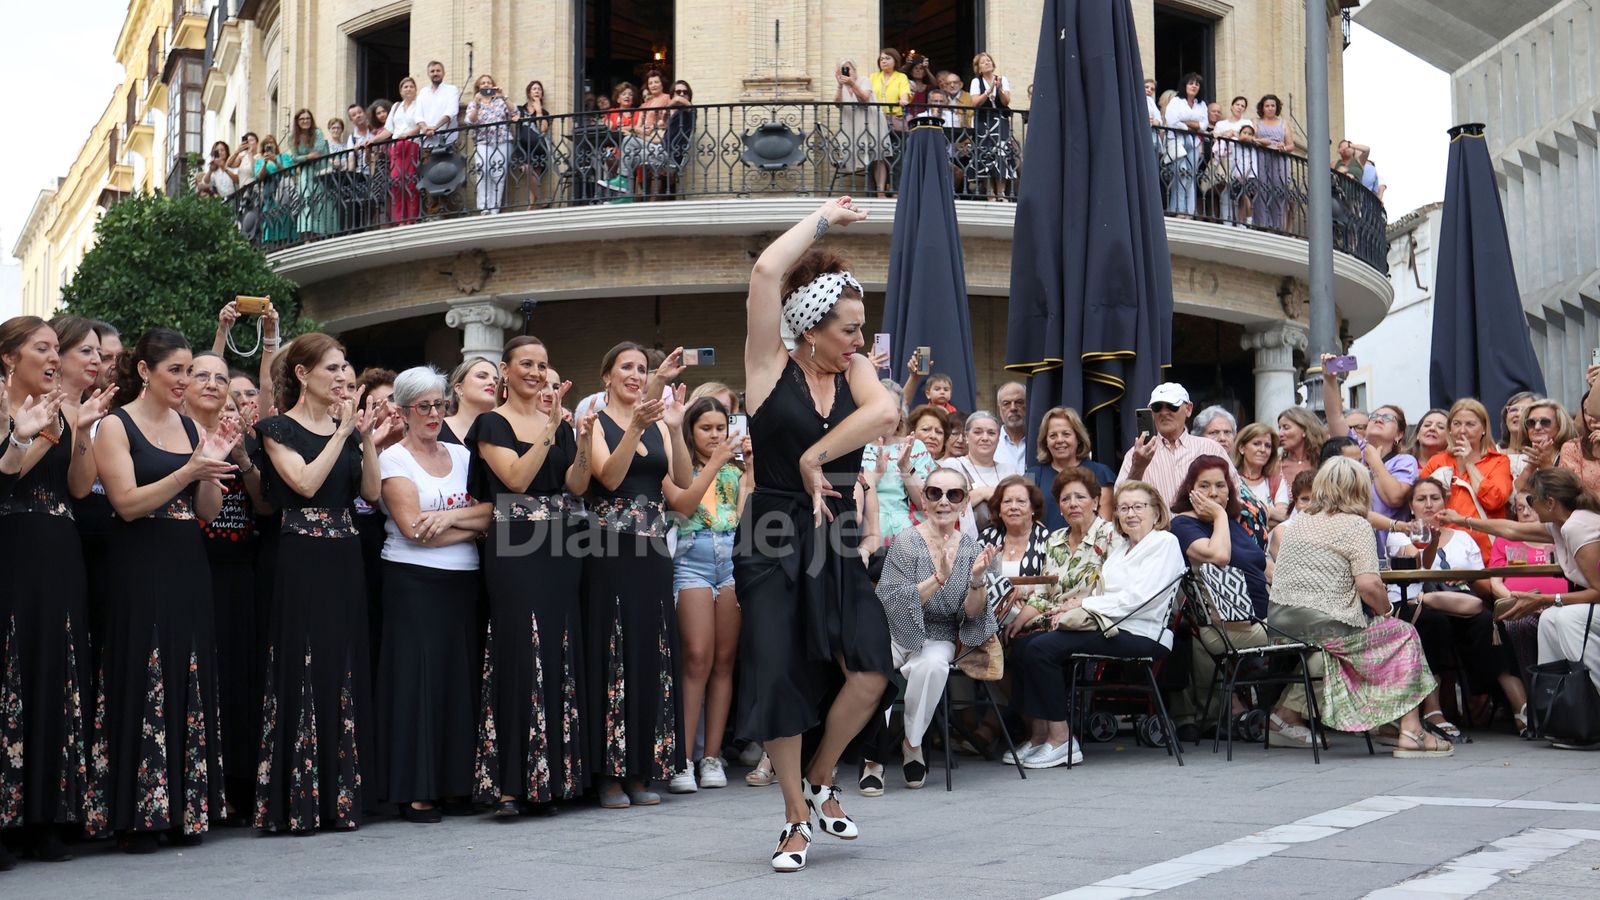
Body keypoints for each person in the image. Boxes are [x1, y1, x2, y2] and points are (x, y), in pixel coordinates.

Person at [737, 198, 898, 872]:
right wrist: (824, 216)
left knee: (870, 668)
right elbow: (767, 273)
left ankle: (822, 774)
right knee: (776, 671)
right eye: (851, 330)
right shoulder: (768, 366)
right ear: (811, 327)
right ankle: (795, 821)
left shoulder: (854, 373)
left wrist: (814, 457)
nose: (861, 342)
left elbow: (886, 411)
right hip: (773, 531)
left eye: (862, 330)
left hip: (835, 531)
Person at [92, 328, 234, 852]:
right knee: (142, 674)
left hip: (187, 561)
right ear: (145, 371)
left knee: (185, 673)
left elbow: (206, 512)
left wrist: (210, 468)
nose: (185, 380)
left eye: (190, 371)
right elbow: (126, 503)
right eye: (175, 370)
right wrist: (191, 470)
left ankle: (182, 809)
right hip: (140, 561)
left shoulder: (190, 425)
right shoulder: (115, 424)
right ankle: (135, 816)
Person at [255, 333, 385, 833]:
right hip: (301, 555)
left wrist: (366, 439)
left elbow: (370, 493)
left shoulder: (349, 430)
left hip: (345, 554)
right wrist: (343, 433)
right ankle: (300, 801)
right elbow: (304, 484)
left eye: (344, 368)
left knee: (343, 665)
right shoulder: (277, 428)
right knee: (303, 663)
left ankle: (343, 797)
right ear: (304, 374)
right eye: (332, 368)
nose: (341, 378)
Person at [468, 335, 591, 817]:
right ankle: (511, 785)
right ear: (505, 370)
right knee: (520, 651)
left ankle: (554, 780)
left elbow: (577, 484)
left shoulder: (556, 423)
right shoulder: (490, 423)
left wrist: (577, 438)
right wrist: (549, 427)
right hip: (514, 545)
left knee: (559, 650)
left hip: (562, 545)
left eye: (543, 364)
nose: (537, 373)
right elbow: (516, 479)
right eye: (526, 364)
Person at [1266, 458, 1449, 757]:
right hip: (1323, 623)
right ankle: (1412, 730)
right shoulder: (1355, 525)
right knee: (1404, 634)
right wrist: (1387, 612)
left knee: (1346, 647)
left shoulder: (1299, 523)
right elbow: (1369, 586)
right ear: (1360, 489)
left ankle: (1288, 714)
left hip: (1280, 622)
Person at [0, 317, 99, 861]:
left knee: (54, 674)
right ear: (10, 357)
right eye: (42, 348)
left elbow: (81, 487)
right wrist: (46, 428)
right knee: (13, 672)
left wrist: (79, 430)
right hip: (13, 546)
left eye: (53, 348)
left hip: (59, 549)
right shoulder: (11, 408)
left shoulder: (61, 409)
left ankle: (45, 814)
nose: (53, 357)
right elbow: (7, 473)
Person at [376, 366, 491, 823]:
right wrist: (465, 524)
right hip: (413, 581)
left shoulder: (463, 456)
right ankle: (416, 789)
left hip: (463, 582)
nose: (432, 414)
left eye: (439, 405)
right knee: (416, 684)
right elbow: (412, 529)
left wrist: (446, 519)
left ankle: (456, 783)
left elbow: (492, 514)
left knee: (457, 681)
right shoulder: (394, 460)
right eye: (422, 406)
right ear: (403, 411)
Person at [583, 342, 693, 809]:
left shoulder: (657, 422)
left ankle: (642, 768)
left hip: (652, 548)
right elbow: (607, 478)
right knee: (614, 650)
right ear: (606, 375)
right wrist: (637, 428)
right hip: (608, 549)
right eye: (626, 367)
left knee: (649, 651)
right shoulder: (592, 420)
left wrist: (675, 427)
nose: (634, 374)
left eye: (641, 368)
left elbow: (683, 484)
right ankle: (608, 774)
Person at [1009, 481, 1186, 768]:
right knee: (1025, 645)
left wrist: (1084, 604)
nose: (1130, 514)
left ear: (1156, 512)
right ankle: (1039, 734)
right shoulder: (1122, 549)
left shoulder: (1164, 543)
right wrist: (1076, 605)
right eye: (1124, 508)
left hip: (1141, 631)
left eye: (1138, 507)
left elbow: (1140, 598)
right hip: (1111, 625)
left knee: (1043, 649)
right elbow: (1104, 593)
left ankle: (1061, 738)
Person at [186, 351, 271, 820]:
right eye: (207, 377)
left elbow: (262, 506)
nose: (217, 388)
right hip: (193, 565)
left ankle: (238, 786)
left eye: (226, 382)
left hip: (240, 571)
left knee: (238, 680)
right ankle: (200, 787)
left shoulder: (245, 442)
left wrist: (241, 457)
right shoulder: (176, 433)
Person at [876, 468, 999, 787]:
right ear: (924, 500)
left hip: (938, 634)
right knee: (873, 669)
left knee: (933, 666)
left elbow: (971, 616)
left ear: (964, 502)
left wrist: (977, 580)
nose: (943, 501)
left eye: (953, 494)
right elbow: (890, 599)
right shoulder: (906, 541)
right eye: (935, 493)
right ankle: (872, 755)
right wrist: (938, 579)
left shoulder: (972, 548)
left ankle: (912, 745)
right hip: (897, 629)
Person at [1441, 468, 1600, 713]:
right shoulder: (1562, 523)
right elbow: (1511, 530)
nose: (1529, 505)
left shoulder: (1577, 526)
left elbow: (1598, 591)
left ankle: (1591, 700)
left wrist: (1545, 600)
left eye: (1531, 499)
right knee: (1549, 619)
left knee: (1567, 618)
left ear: (1550, 502)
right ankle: (1555, 710)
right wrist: (1463, 520)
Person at [1386, 477, 1519, 741]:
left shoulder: (1463, 538)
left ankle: (1511, 702)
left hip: (1460, 604)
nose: (1428, 504)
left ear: (1444, 502)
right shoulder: (1398, 534)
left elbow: (1482, 587)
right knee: (1435, 622)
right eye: (1421, 499)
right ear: (1411, 506)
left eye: (1434, 498)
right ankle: (1433, 710)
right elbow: (1418, 562)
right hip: (1414, 605)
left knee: (1486, 621)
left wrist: (1467, 577)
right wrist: (1431, 539)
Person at [662, 397, 749, 793]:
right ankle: (681, 758)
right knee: (696, 655)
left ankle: (712, 757)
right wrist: (716, 461)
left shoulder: (736, 470)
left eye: (720, 427)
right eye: (706, 429)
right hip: (691, 561)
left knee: (725, 661)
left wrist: (750, 469)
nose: (716, 435)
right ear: (690, 431)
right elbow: (685, 502)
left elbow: (744, 515)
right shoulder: (680, 466)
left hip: (730, 562)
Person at [1167, 456, 1273, 735]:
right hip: (1230, 623)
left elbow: (1265, 566)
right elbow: (1220, 556)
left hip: (1262, 615)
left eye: (1220, 486)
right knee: (1310, 636)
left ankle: (1279, 715)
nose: (1213, 493)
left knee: (1314, 625)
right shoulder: (1183, 525)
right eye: (1204, 486)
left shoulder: (1233, 524)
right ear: (1190, 490)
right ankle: (1281, 718)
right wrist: (1219, 516)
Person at [1488, 491, 1570, 692]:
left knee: (1566, 622)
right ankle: (1536, 693)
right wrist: (1520, 601)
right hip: (1521, 608)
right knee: (1520, 625)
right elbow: (1495, 583)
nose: (1525, 513)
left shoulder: (1561, 535)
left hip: (1562, 604)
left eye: (1530, 506)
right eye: (1519, 508)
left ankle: (1569, 692)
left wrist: (1549, 602)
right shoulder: (1504, 541)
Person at [1419, 398, 1512, 561]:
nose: (1462, 430)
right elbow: (1418, 504)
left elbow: (1494, 500)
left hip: (1485, 556)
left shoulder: (1498, 461)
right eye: (1456, 424)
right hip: (1444, 553)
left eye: (1470, 424)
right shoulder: (1437, 461)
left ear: (1483, 429)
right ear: (1449, 429)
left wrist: (1469, 462)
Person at [1117, 382, 1235, 507]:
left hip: (1204, 526)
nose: (1163, 412)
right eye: (1157, 407)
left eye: (1172, 406)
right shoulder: (1136, 454)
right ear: (1151, 412)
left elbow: (1235, 494)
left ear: (1188, 409)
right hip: (1155, 526)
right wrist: (1138, 467)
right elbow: (1119, 502)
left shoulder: (1211, 448)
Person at [1026, 406, 1115, 529]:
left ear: (1078, 438)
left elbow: (1104, 526)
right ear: (1045, 441)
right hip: (1044, 546)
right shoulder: (1032, 476)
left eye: (1066, 434)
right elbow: (1025, 519)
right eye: (1053, 436)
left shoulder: (1101, 473)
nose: (1060, 440)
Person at [941, 411, 1019, 538]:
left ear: (998, 438)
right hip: (965, 547)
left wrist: (987, 494)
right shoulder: (953, 466)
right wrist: (983, 492)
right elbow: (947, 505)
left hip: (1008, 544)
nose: (985, 438)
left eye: (991, 433)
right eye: (978, 432)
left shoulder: (1010, 470)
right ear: (966, 436)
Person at [862, 424, 935, 543]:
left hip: (908, 537)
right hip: (864, 533)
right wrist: (875, 476)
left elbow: (926, 504)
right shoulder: (852, 446)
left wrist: (905, 466)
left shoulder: (914, 446)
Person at [464, 74, 518, 213]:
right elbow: (470, 121)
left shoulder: (500, 101)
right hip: (483, 142)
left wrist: (503, 96)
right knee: (483, 170)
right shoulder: (473, 103)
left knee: (499, 173)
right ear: (478, 87)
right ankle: (484, 206)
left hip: (502, 140)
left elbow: (515, 113)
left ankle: (495, 208)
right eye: (483, 83)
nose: (486, 85)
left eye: (489, 82)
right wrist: (477, 104)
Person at [968, 52, 1015, 200]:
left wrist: (999, 88)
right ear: (978, 68)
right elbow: (975, 103)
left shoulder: (1002, 79)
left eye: (989, 60)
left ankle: (1001, 192)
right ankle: (990, 193)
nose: (987, 63)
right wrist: (988, 91)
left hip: (1000, 120)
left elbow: (1006, 101)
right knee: (985, 152)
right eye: (983, 62)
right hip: (983, 121)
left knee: (1001, 151)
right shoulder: (976, 82)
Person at [1232, 422, 1288, 546]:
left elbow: (1283, 515)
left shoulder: (1275, 481)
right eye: (1257, 444)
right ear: (1242, 448)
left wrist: (1250, 511)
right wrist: (1268, 514)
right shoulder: (1231, 479)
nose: (1263, 450)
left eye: (1267, 446)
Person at [869, 49, 912, 197]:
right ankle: (880, 191)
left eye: (887, 58)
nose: (884, 61)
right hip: (876, 119)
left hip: (895, 119)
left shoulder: (901, 77)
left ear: (895, 60)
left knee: (898, 155)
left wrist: (904, 99)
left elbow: (905, 93)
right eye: (881, 59)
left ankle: (895, 190)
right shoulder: (873, 77)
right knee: (878, 155)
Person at [1164, 73, 1207, 216]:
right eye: (1191, 83)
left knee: (1190, 176)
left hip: (1193, 143)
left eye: (1197, 84)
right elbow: (1172, 121)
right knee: (1180, 174)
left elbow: (1204, 125)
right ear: (1185, 86)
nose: (1194, 86)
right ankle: (1178, 210)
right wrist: (1190, 126)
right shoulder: (1176, 101)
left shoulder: (1201, 104)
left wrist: (1186, 122)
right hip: (1177, 140)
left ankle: (1189, 211)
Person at [385, 77, 427, 224]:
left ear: (415, 90)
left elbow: (421, 125)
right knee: (396, 183)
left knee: (410, 183)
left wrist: (408, 134)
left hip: (411, 145)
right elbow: (388, 129)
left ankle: (410, 219)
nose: (408, 89)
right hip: (396, 147)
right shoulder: (396, 106)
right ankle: (399, 219)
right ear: (400, 91)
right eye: (405, 87)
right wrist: (372, 140)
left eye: (411, 86)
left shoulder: (419, 105)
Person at [1514, 397, 1574, 494]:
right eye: (1531, 423)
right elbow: (1514, 498)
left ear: (1559, 425)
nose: (1537, 427)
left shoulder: (1572, 454)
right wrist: (1529, 468)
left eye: (1545, 422)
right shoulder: (1519, 460)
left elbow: (1568, 495)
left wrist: (1546, 465)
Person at [1251, 94, 1293, 232]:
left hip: (1279, 158)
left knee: (1279, 189)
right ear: (1262, 108)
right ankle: (1262, 224)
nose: (1270, 108)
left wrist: (1283, 148)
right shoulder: (1256, 121)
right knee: (1261, 187)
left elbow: (1291, 145)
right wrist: (1261, 141)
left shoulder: (1283, 123)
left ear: (1277, 107)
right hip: (1261, 156)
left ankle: (1277, 225)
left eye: (1273, 106)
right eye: (1267, 106)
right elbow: (1252, 137)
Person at [441, 357, 499, 445]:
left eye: (496, 381)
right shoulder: (437, 429)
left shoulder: (503, 431)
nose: (492, 383)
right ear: (459, 388)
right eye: (482, 376)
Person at [514, 80, 553, 207]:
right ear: (529, 93)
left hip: (538, 148)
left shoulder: (545, 113)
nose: (537, 91)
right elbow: (511, 113)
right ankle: (541, 200)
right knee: (527, 169)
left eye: (539, 89)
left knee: (535, 176)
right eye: (534, 89)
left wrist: (539, 112)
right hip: (523, 147)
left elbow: (542, 129)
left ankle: (530, 207)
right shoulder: (520, 109)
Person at [1276, 406, 1328, 488]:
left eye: (1286, 428)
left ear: (1304, 430)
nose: (1280, 434)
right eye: (1280, 428)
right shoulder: (1276, 465)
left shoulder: (1324, 462)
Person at [1559, 393, 1600, 493]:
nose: (1592, 418)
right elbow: (1574, 491)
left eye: (1597, 410)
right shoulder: (1573, 448)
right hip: (1587, 507)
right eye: (1586, 412)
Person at [419, 60, 462, 148]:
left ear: (443, 73)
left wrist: (435, 128)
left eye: (438, 71)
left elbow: (451, 111)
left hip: (447, 141)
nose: (435, 73)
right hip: (426, 142)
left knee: (448, 162)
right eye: (432, 71)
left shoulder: (452, 90)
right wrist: (425, 128)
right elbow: (418, 115)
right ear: (428, 74)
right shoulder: (423, 92)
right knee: (426, 162)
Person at [995, 381, 1029, 471]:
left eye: (1019, 402)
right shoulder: (990, 444)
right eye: (1006, 403)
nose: (1013, 408)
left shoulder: (1039, 442)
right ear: (999, 409)